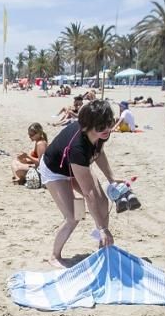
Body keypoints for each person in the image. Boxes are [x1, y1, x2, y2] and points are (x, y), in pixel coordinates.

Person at [39, 99, 120, 267]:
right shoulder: (78, 148)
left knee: (102, 200)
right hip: (55, 171)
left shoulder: (100, 131)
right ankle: (55, 256)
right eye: (100, 127)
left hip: (74, 165)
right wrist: (102, 228)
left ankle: (102, 245)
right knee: (74, 216)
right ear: (87, 127)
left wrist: (111, 177)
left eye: (109, 123)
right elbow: (88, 193)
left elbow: (98, 151)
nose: (106, 129)